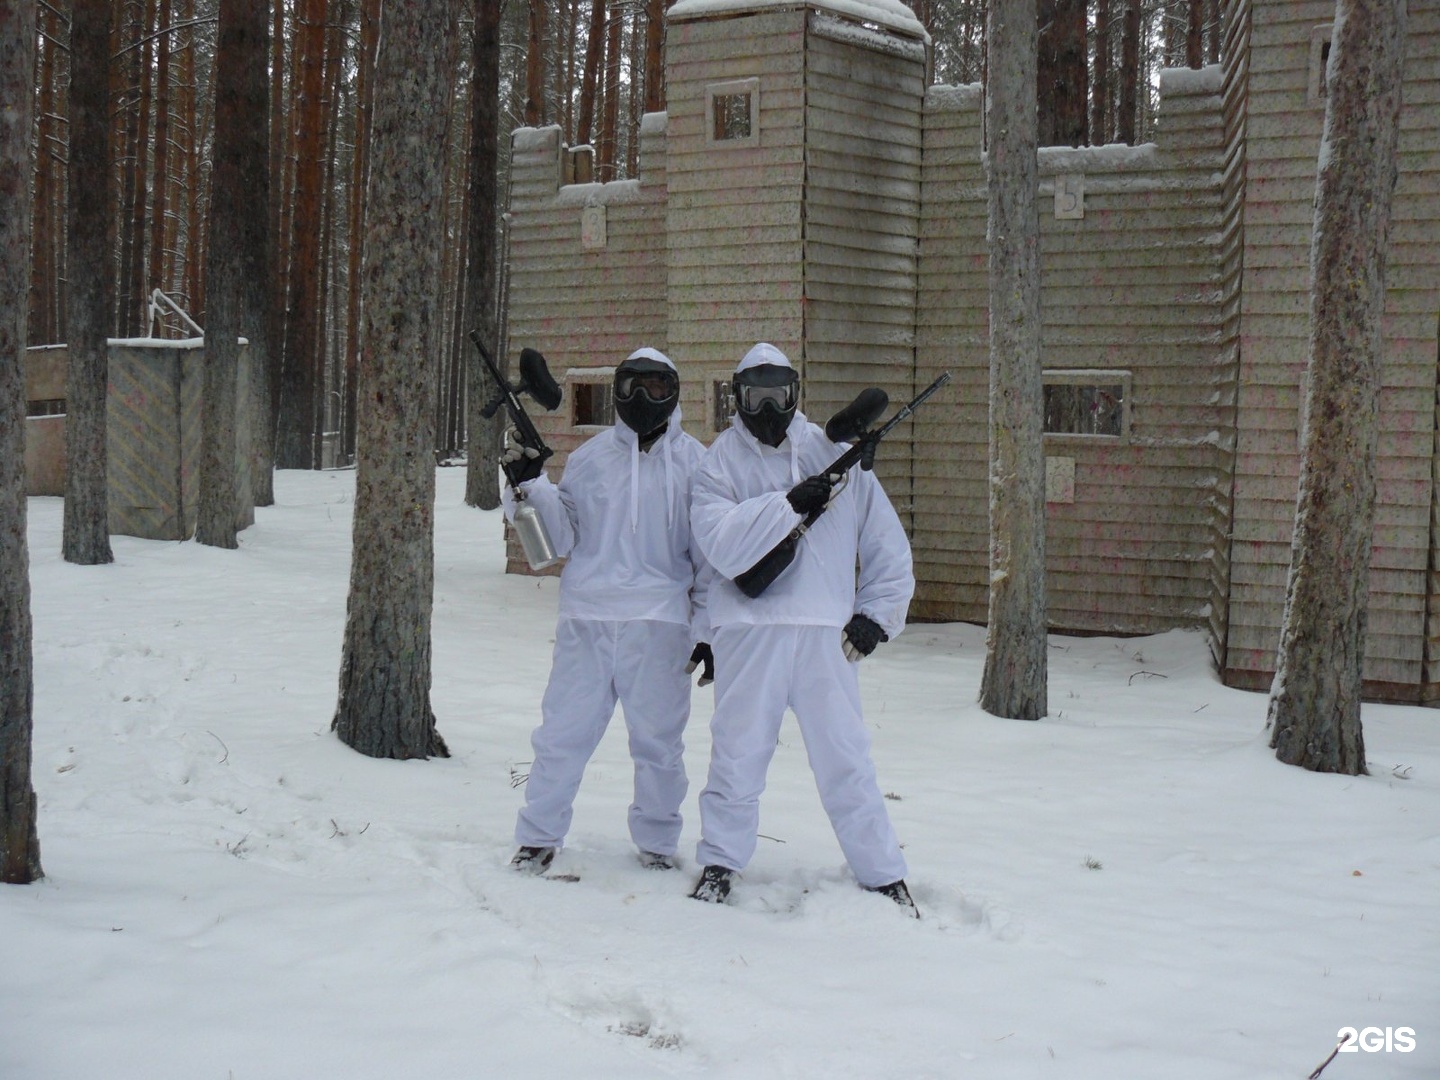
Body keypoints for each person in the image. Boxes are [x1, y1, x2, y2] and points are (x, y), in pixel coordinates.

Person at [686, 342, 917, 913]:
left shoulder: (833, 452)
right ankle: (720, 862)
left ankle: (882, 871)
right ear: (736, 396)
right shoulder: (718, 463)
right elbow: (719, 543)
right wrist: (786, 504)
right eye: (754, 395)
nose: (767, 408)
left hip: (825, 636)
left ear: (795, 393)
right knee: (736, 756)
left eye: (779, 394)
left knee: (846, 758)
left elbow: (884, 542)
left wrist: (875, 616)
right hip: (749, 632)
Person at [500, 346, 712, 874]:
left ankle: (659, 844)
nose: (643, 399)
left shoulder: (697, 464)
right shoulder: (592, 459)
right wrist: (528, 483)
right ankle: (538, 836)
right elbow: (561, 533)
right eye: (632, 387)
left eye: (657, 388)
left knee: (660, 744)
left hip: (662, 627)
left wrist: (708, 630)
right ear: (616, 392)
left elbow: (709, 561)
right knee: (562, 735)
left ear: (675, 392)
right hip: (587, 620)